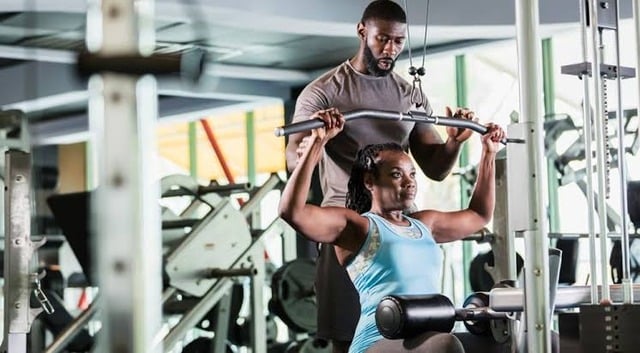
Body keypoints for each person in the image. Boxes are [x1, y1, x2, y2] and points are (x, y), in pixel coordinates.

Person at [285, 1, 476, 351]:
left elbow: (434, 167)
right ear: (362, 32)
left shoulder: (409, 94)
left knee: (417, 333)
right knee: (352, 338)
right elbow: (292, 158)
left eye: (399, 41)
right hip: (349, 231)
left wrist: (453, 144)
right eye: (382, 39)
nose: (390, 49)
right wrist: (313, 143)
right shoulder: (324, 91)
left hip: (400, 232)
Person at [279, 112, 505, 353]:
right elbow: (292, 212)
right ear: (369, 181)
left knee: (504, 344)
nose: (409, 182)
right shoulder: (358, 227)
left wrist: (488, 152)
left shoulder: (424, 225)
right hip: (376, 343)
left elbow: (479, 215)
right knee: (446, 345)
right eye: (397, 174)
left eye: (412, 174)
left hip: (427, 340)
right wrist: (317, 143)